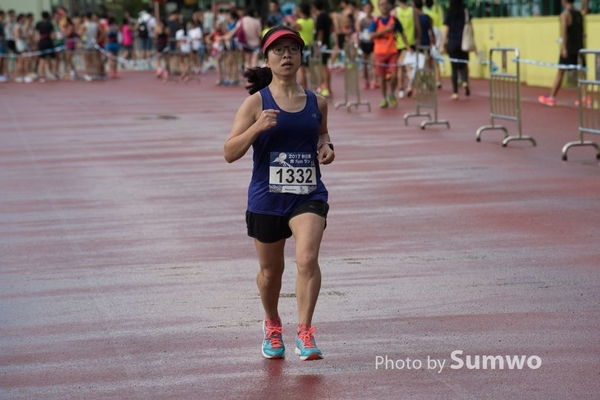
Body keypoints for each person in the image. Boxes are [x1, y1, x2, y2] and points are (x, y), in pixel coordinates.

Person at [224, 26, 335, 361]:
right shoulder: (255, 103)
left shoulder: (318, 102)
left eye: (293, 49)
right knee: (271, 273)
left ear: (301, 57)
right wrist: (257, 127)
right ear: (267, 59)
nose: (286, 55)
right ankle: (272, 324)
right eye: (278, 50)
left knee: (307, 259)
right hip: (267, 198)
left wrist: (326, 145)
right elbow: (229, 152)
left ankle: (305, 332)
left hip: (308, 195)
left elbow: (323, 134)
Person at [538, 0, 584, 107]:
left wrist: (564, 48)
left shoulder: (565, 15)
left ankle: (552, 96)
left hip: (569, 48)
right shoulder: (579, 14)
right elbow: (582, 33)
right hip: (579, 48)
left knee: (560, 72)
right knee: (582, 73)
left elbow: (563, 33)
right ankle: (584, 97)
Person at [370, 0, 411, 108]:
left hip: (392, 52)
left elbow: (402, 33)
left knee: (394, 75)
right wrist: (386, 30)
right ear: (379, 7)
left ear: (390, 6)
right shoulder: (376, 20)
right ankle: (384, 98)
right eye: (382, 5)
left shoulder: (394, 20)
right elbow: (371, 35)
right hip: (379, 52)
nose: (384, 7)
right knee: (382, 77)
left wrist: (408, 47)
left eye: (386, 4)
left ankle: (392, 92)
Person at [441, 0, 474, 100]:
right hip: (463, 42)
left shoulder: (449, 13)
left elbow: (446, 30)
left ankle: (455, 92)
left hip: (452, 42)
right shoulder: (465, 12)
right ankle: (464, 81)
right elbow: (471, 28)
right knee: (463, 65)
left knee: (454, 68)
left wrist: (443, 44)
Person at [392, 0, 421, 98]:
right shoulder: (412, 11)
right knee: (410, 67)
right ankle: (411, 86)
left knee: (400, 67)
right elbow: (418, 27)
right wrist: (418, 39)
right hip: (411, 43)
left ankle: (401, 89)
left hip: (400, 44)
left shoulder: (395, 12)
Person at [312, 0, 334, 97]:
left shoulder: (320, 17)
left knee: (323, 66)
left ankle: (326, 88)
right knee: (324, 66)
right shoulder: (326, 16)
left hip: (322, 45)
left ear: (315, 7)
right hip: (326, 43)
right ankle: (326, 87)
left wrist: (318, 45)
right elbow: (331, 28)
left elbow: (320, 32)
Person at [293, 2, 314, 88]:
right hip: (311, 46)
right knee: (310, 69)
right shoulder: (312, 21)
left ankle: (305, 88)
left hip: (303, 46)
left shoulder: (299, 22)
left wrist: (296, 15)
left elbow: (293, 27)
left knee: (301, 69)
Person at [356, 0, 377, 90]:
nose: (368, 9)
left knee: (373, 63)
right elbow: (358, 32)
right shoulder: (361, 21)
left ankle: (374, 80)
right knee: (364, 64)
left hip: (372, 43)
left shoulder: (375, 20)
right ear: (364, 9)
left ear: (372, 9)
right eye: (366, 8)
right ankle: (366, 81)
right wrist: (358, 43)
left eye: (369, 8)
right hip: (364, 44)